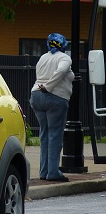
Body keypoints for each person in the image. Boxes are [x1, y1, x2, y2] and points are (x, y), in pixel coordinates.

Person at [29, 33, 74, 182]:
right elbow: (61, 71)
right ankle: (53, 172)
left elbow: (39, 75)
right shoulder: (64, 58)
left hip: (36, 96)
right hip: (55, 97)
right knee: (55, 135)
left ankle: (44, 171)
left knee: (44, 134)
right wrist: (49, 87)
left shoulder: (43, 57)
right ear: (63, 45)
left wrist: (43, 86)